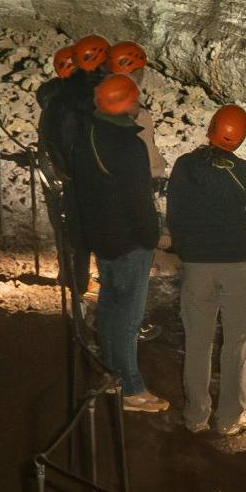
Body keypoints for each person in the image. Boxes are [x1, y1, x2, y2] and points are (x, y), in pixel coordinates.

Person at [166, 103, 246, 436]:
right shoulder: (244, 172)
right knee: (237, 344)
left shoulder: (184, 167)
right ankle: (229, 418)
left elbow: (175, 216)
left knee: (197, 342)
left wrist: (188, 253)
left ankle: (196, 415)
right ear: (241, 139)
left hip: (198, 268)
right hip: (240, 267)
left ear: (211, 129)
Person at [84, 72, 168, 412]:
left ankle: (110, 375)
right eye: (135, 100)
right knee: (129, 317)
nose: (138, 105)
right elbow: (138, 202)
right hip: (130, 241)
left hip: (103, 236)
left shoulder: (90, 133)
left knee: (109, 306)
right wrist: (153, 237)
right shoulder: (129, 146)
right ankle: (131, 389)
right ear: (125, 105)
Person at [37, 36, 108, 307]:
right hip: (70, 175)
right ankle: (78, 283)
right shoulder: (72, 103)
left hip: (57, 171)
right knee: (80, 228)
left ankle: (74, 278)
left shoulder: (54, 102)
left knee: (67, 227)